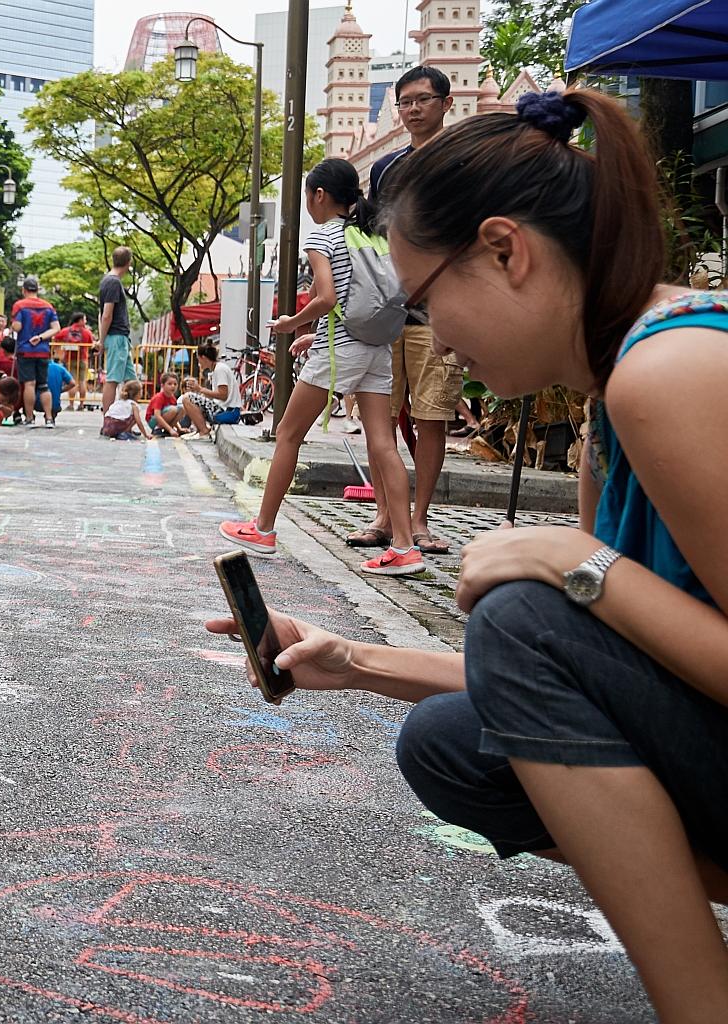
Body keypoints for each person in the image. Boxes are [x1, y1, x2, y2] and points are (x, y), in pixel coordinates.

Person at [210, 89, 728, 1021]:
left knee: (523, 616)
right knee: (453, 746)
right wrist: (355, 661)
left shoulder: (673, 369)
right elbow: (603, 681)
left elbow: (564, 636)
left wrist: (579, 564)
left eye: (426, 300)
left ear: (505, 250)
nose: (435, 336)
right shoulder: (618, 393)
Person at [217, 159, 421, 577]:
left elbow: (327, 297)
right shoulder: (371, 233)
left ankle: (263, 529)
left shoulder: (323, 235)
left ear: (319, 195)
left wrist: (292, 324)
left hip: (341, 349)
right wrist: (317, 333)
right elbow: (357, 301)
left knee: (289, 434)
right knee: (384, 444)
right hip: (377, 346)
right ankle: (404, 546)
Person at [354, 65, 460, 555]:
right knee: (381, 414)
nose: (414, 109)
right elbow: (376, 236)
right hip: (387, 310)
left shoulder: (465, 162)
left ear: (445, 103)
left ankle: (419, 521)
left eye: (423, 99)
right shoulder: (386, 168)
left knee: (431, 415)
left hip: (440, 312)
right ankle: (383, 515)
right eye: (405, 102)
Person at [10, 276, 60, 428]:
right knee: (43, 385)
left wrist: (14, 324)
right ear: (37, 290)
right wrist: (40, 337)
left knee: (29, 384)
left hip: (25, 350)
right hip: (43, 350)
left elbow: (17, 327)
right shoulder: (48, 306)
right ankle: (49, 419)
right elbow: (56, 328)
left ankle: (30, 418)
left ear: (23, 290)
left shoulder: (19, 305)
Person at [98, 246, 135, 415]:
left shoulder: (107, 280)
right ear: (129, 262)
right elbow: (107, 314)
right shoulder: (113, 282)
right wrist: (101, 340)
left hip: (118, 337)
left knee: (131, 381)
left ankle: (126, 417)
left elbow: (102, 315)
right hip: (117, 336)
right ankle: (109, 418)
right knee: (112, 379)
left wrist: (101, 338)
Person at [180, 343, 241, 437]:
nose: (198, 363)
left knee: (186, 398)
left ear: (203, 357)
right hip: (225, 410)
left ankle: (203, 430)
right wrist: (199, 391)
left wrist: (200, 389)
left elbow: (223, 395)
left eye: (198, 359)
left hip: (228, 412)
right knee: (192, 401)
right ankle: (199, 430)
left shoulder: (220, 369)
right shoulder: (216, 369)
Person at [34, 357, 75, 426]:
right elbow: (72, 383)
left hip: (36, 403)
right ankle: (51, 417)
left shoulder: (35, 368)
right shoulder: (60, 368)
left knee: (28, 392)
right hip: (55, 405)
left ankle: (29, 417)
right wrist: (60, 390)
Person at [146, 373, 187, 437]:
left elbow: (175, 415)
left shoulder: (173, 398)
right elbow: (157, 415)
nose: (173, 386)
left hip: (164, 417)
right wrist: (171, 430)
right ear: (162, 385)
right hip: (153, 420)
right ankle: (158, 428)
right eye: (169, 384)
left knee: (182, 409)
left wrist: (179, 428)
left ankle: (167, 429)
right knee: (173, 409)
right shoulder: (159, 397)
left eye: (175, 384)